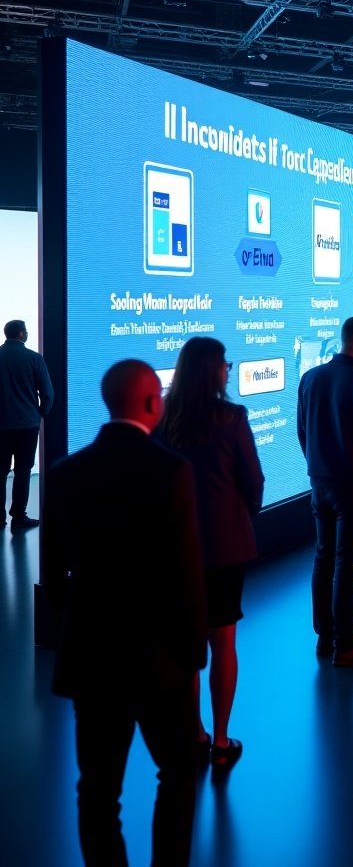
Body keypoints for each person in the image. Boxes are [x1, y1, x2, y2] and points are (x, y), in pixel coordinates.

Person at [42, 359, 206, 865]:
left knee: (97, 791)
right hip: (161, 657)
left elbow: (56, 570)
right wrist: (194, 653)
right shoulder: (172, 471)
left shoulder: (65, 473)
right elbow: (185, 572)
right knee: (177, 773)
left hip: (90, 654)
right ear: (154, 402)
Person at [155, 336, 264, 770]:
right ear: (213, 370)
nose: (230, 371)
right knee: (224, 641)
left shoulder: (162, 417)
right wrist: (241, 514)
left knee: (185, 647)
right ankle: (220, 739)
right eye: (227, 364)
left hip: (174, 546)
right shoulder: (231, 416)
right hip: (223, 545)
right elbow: (253, 482)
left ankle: (193, 733)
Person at [297, 316, 353, 667]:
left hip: (320, 484)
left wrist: (317, 468)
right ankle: (345, 644)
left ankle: (325, 635)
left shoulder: (310, 378)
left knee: (322, 558)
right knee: (347, 566)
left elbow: (302, 432)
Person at [0, 319, 54, 529]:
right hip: (27, 425)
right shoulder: (34, 358)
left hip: (1, 426)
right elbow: (47, 394)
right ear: (22, 334)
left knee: (0, 472)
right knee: (23, 471)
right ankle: (18, 516)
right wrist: (39, 414)